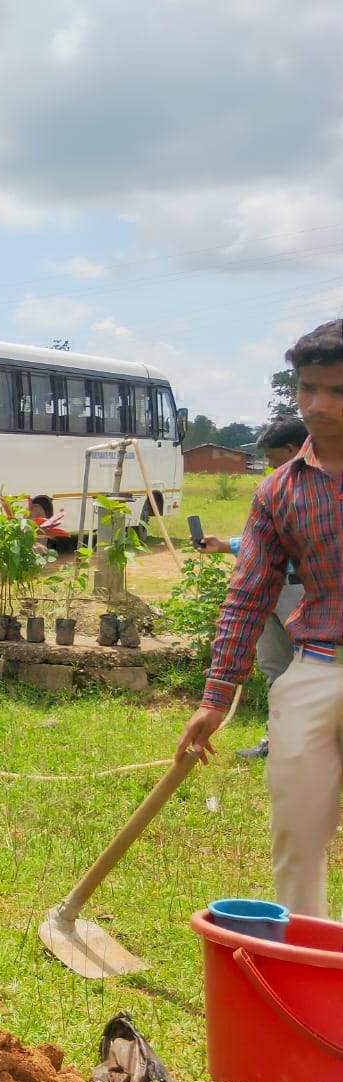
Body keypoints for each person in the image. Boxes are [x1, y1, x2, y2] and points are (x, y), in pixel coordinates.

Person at [178, 320, 343, 918]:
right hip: (317, 666)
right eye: (307, 388)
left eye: (336, 390)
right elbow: (248, 595)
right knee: (297, 833)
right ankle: (305, 955)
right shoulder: (278, 491)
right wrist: (216, 697)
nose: (317, 405)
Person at [195, 416, 309, 759]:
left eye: (273, 458)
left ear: (293, 450)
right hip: (271, 591)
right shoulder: (274, 491)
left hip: (302, 593)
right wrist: (225, 544)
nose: (269, 467)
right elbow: (264, 542)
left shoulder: (322, 491)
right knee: (277, 670)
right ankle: (278, 742)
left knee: (315, 670)